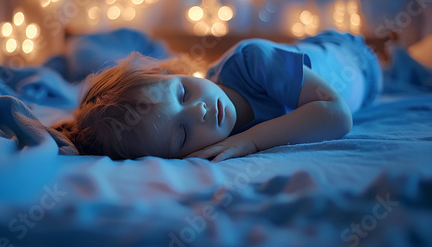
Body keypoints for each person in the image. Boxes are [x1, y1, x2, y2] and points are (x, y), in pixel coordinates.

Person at [54, 30, 382, 162]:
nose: (200, 111)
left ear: (173, 73)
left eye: (183, 92)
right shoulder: (216, 139)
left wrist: (251, 141)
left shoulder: (251, 59)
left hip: (356, 57)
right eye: (182, 133)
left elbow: (337, 114)